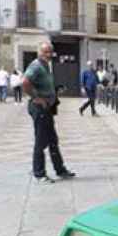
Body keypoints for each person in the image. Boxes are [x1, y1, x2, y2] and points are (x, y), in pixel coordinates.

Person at [22, 42, 76, 184]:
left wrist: (55, 90)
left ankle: (60, 169)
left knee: (53, 140)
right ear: (39, 52)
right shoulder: (36, 66)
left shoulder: (46, 66)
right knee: (41, 141)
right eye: (46, 51)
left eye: (50, 51)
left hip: (47, 108)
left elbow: (43, 85)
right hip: (39, 108)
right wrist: (37, 98)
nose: (49, 54)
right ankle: (39, 174)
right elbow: (25, 82)